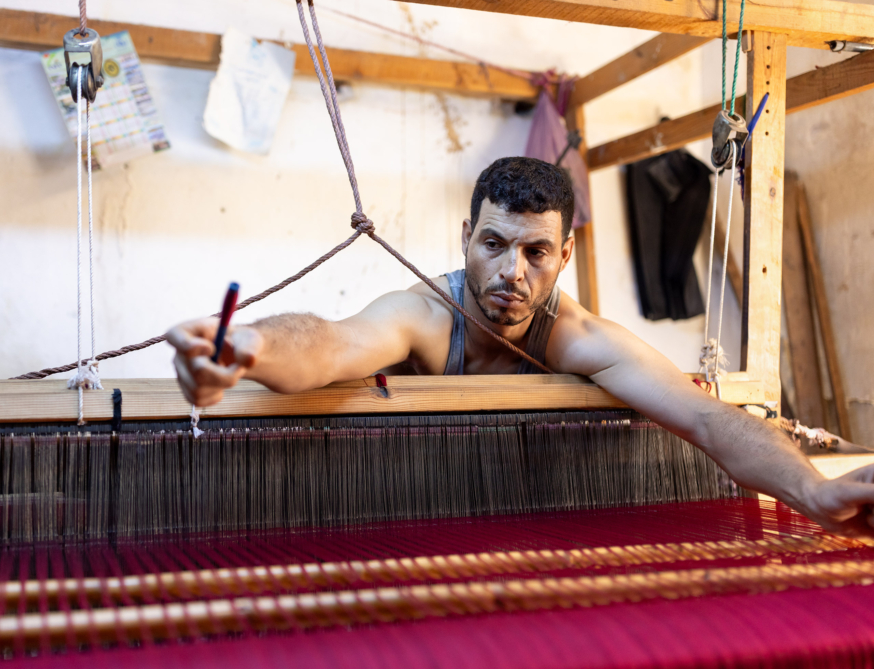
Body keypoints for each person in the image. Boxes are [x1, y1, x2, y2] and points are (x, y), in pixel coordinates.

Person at [167, 156, 874, 537]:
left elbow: (703, 416)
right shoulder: (422, 315)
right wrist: (245, 346)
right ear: (465, 238)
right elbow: (332, 342)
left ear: (564, 255)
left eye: (536, 251)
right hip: (389, 525)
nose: (512, 272)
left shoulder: (576, 336)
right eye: (494, 244)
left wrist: (812, 488)